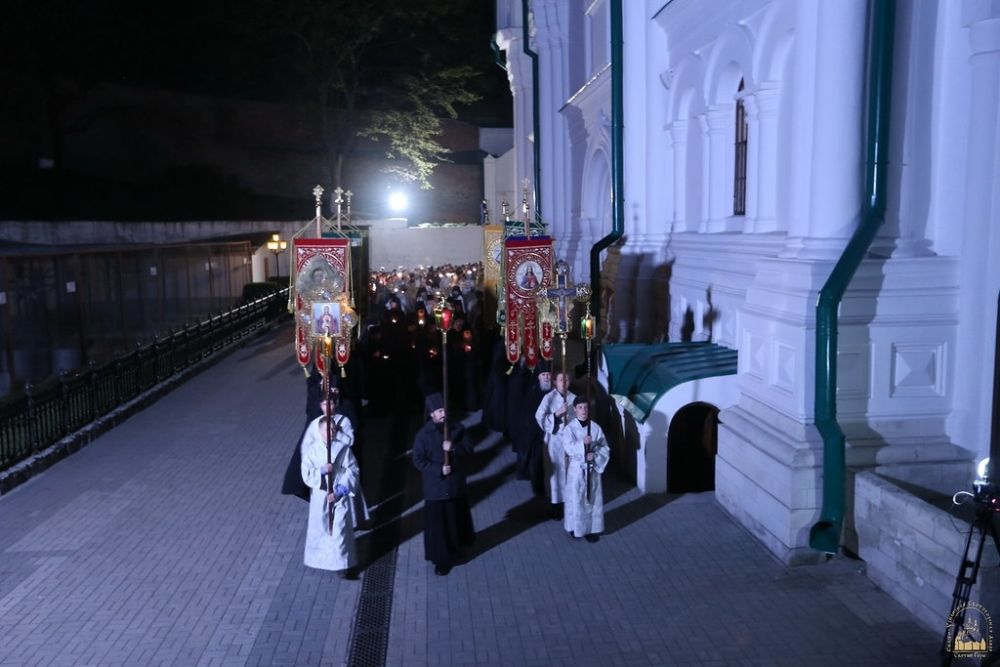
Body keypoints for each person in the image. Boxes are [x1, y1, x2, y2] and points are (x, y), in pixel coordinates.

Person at [411, 393, 475, 576]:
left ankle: (457, 550)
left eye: (444, 409)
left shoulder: (457, 429)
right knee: (439, 528)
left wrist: (454, 448)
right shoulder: (423, 435)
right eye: (439, 410)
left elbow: (470, 448)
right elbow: (418, 459)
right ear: (431, 414)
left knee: (455, 521)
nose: (443, 413)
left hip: (455, 486)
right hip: (436, 489)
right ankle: (441, 560)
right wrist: (438, 469)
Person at [300, 401, 361, 577]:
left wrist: (341, 490)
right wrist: (321, 471)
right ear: (320, 432)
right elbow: (306, 472)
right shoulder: (313, 452)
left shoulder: (343, 449)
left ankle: (342, 565)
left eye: (333, 430)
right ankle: (325, 560)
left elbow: (353, 470)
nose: (331, 433)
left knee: (339, 529)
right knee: (324, 530)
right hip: (321, 497)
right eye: (327, 430)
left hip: (339, 495)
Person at [560, 395, 609, 542]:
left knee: (591, 499)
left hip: (591, 470)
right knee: (576, 499)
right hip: (576, 470)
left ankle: (590, 529)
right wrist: (582, 445)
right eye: (580, 407)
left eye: (586, 407)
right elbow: (568, 447)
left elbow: (604, 447)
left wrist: (594, 455)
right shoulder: (570, 429)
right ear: (575, 409)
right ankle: (576, 528)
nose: (583, 410)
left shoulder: (595, 428)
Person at [534, 371, 576, 516]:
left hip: (569, 442)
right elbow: (539, 417)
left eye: (566, 380)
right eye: (560, 380)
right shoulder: (549, 398)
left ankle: (569, 503)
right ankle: (556, 506)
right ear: (555, 383)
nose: (564, 383)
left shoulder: (573, 398)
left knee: (570, 473)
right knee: (556, 474)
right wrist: (556, 414)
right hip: (554, 440)